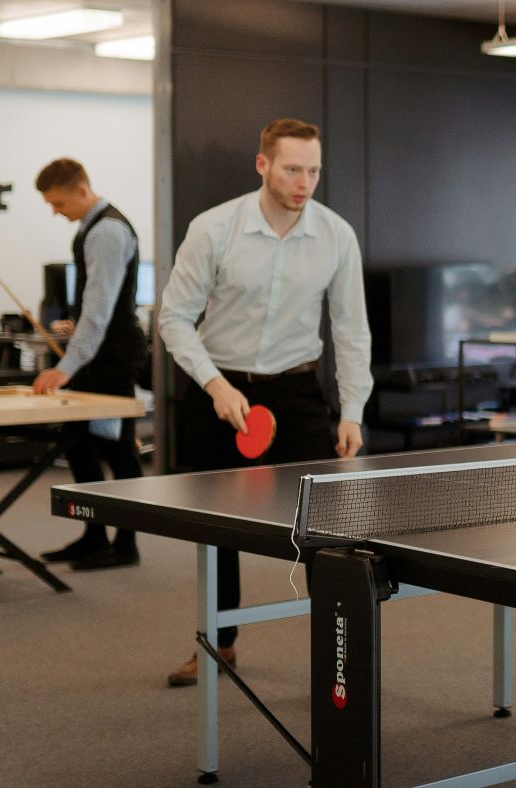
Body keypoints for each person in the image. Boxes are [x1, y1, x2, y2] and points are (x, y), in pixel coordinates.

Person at [158, 118, 372, 687]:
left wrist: (351, 411)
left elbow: (352, 331)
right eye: (292, 169)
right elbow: (174, 319)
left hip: (297, 390)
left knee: (325, 531)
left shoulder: (336, 235)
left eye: (314, 171)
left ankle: (337, 652)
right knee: (215, 529)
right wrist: (215, 383)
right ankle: (218, 643)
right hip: (217, 386)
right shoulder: (214, 229)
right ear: (263, 165)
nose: (305, 182)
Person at [32, 158, 147, 570]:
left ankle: (126, 542)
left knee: (116, 449)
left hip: (112, 357)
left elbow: (99, 310)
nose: (56, 211)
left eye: (59, 203)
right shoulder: (90, 227)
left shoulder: (108, 232)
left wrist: (67, 366)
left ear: (82, 190)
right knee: (79, 444)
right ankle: (94, 534)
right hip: (97, 355)